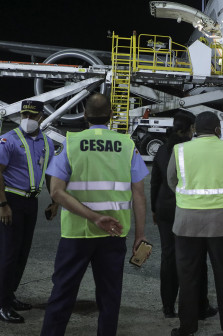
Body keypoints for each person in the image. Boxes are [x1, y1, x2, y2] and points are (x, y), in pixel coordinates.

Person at [40, 93, 148, 336]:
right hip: (114, 233)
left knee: (62, 295)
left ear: (85, 115)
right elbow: (139, 194)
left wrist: (94, 218)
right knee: (110, 298)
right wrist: (140, 235)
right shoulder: (127, 145)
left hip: (76, 234)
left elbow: (56, 192)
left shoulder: (71, 143)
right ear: (111, 115)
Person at [168, 111, 223, 336]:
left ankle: (187, 328)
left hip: (187, 222)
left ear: (194, 129)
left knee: (188, 276)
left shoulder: (180, 150)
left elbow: (172, 180)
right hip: (222, 222)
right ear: (218, 130)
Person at [0, 100, 58, 323]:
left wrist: (54, 200)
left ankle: (9, 295)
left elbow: (49, 173)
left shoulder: (47, 142)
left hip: (31, 201)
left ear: (41, 117)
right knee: (9, 254)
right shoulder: (8, 140)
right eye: (24, 115)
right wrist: (3, 204)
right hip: (10, 200)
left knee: (22, 253)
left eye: (32, 116)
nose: (27, 119)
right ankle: (1, 305)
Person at [150, 110, 217, 320]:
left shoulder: (162, 150)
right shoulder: (188, 150)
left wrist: (154, 209)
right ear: (191, 129)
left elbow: (155, 182)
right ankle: (200, 305)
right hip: (187, 208)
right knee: (195, 257)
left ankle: (168, 306)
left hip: (164, 208)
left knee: (168, 256)